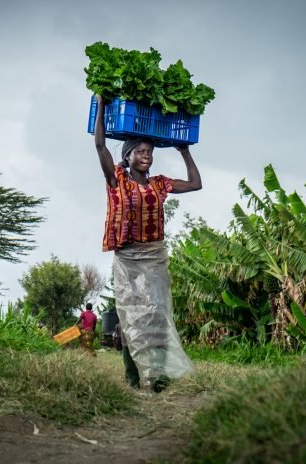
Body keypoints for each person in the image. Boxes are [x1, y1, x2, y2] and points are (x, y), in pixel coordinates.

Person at [94, 95, 201, 392]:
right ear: (127, 157)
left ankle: (158, 376)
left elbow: (195, 184)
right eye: (140, 151)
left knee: (157, 313)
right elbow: (100, 146)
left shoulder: (159, 184)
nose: (146, 155)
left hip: (154, 256)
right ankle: (133, 377)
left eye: (149, 151)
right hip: (127, 257)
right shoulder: (117, 180)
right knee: (130, 316)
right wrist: (102, 104)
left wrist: (184, 151)